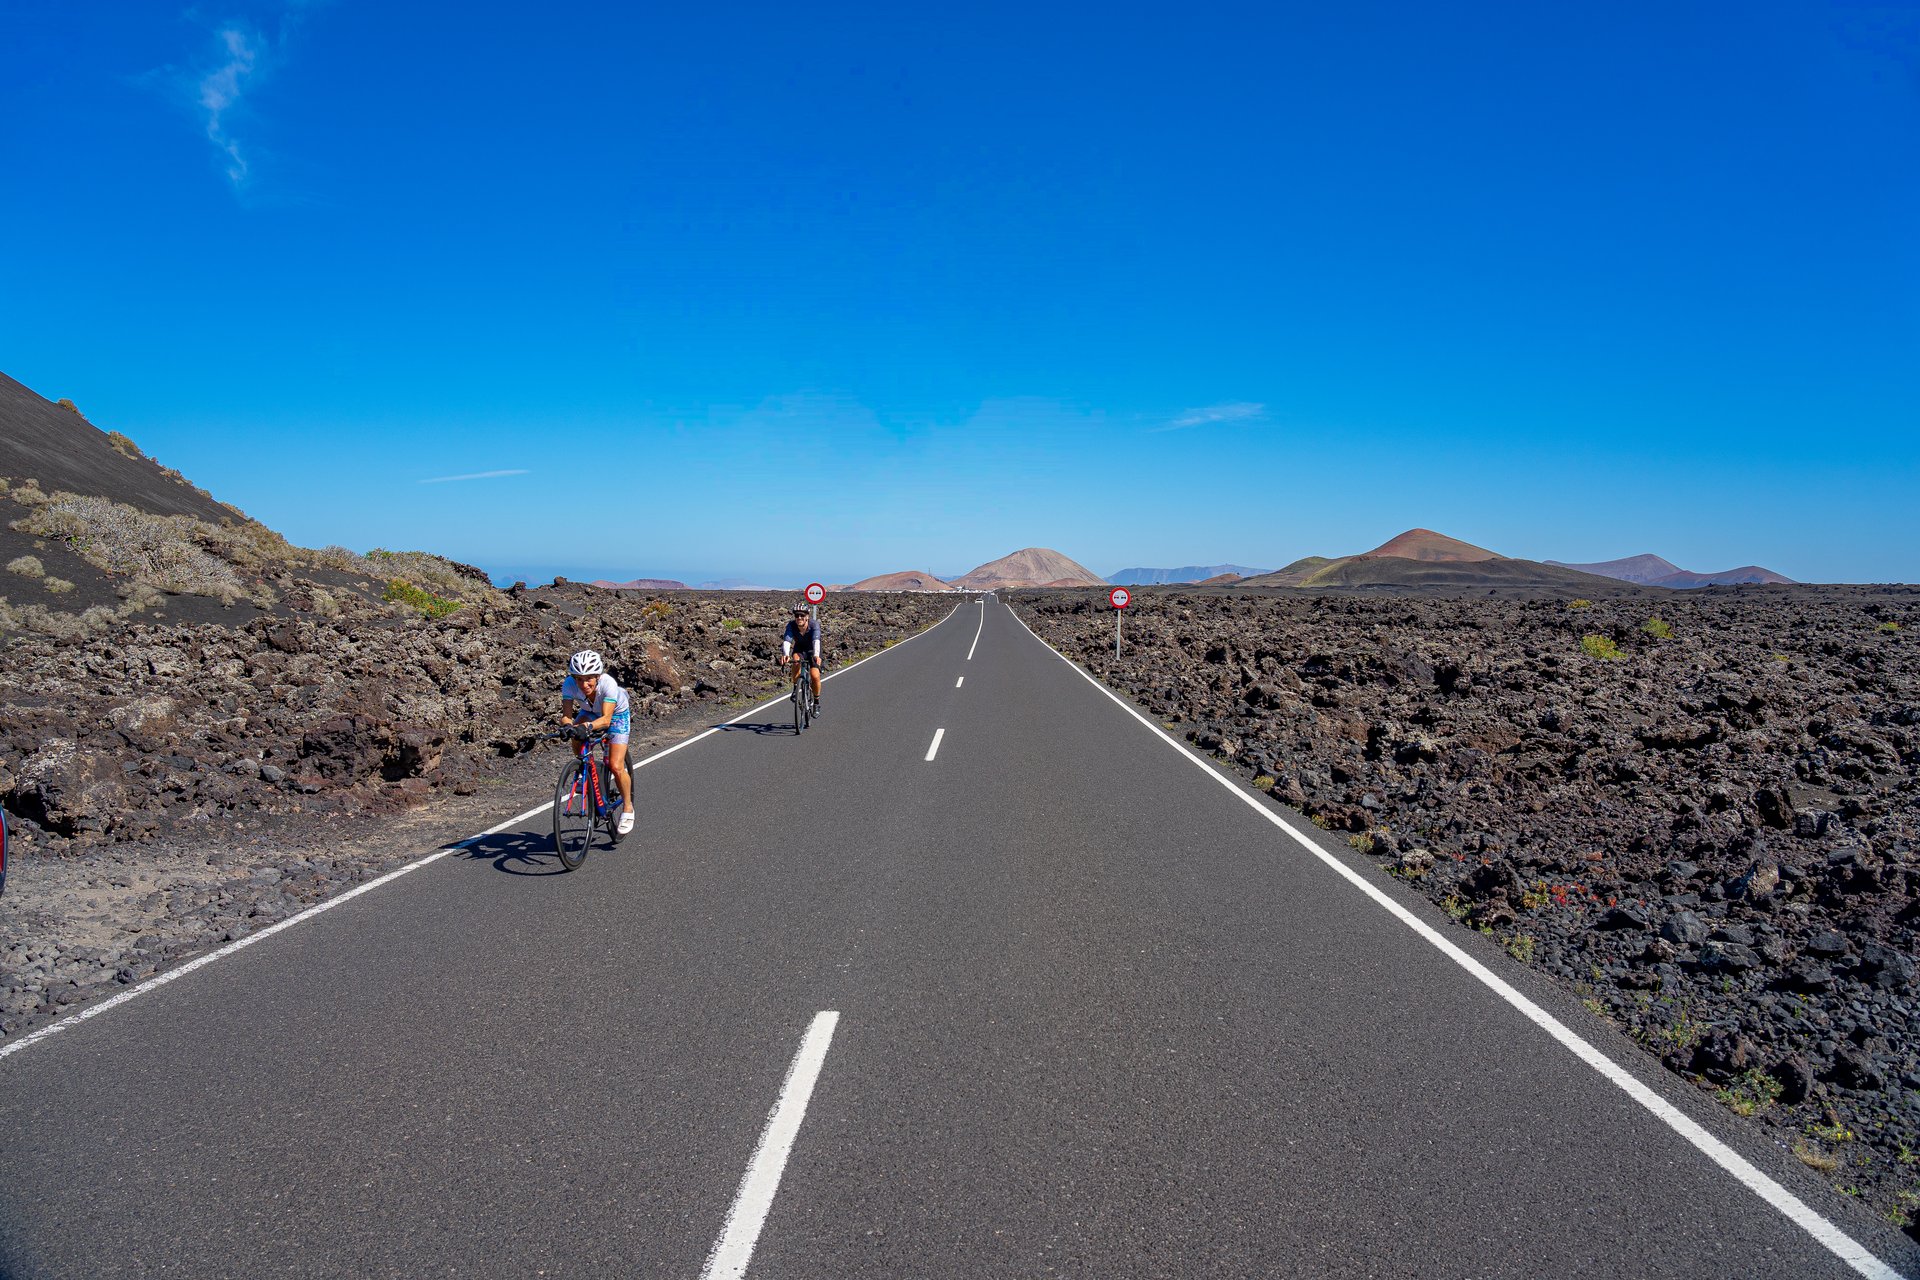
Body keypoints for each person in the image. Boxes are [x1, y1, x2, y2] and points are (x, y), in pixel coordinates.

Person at [559, 649, 633, 835]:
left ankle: (628, 808)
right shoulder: (568, 684)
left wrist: (588, 727)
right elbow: (566, 716)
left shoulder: (608, 684)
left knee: (615, 766)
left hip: (615, 715)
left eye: (589, 679)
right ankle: (584, 767)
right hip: (590, 713)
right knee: (576, 733)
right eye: (579, 679)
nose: (584, 684)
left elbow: (606, 719)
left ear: (597, 676)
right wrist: (568, 726)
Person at [779, 603, 824, 715]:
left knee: (815, 676)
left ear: (807, 616)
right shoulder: (791, 625)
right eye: (796, 615)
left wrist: (817, 656)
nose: (799, 618)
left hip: (813, 650)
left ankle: (817, 702)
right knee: (795, 660)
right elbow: (787, 640)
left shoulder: (814, 625)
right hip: (800, 649)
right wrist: (785, 654)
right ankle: (795, 688)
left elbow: (816, 641)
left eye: (802, 615)